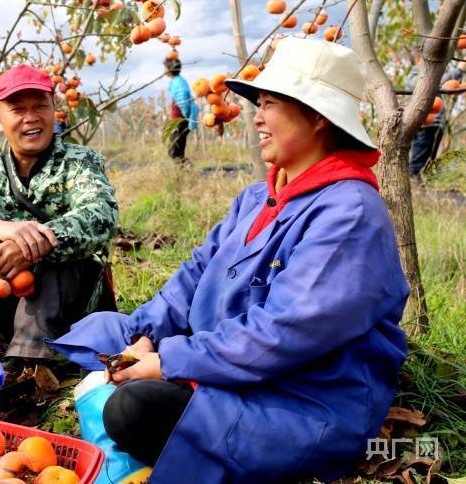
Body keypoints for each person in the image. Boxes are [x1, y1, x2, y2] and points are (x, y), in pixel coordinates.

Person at [49, 37, 409, 483]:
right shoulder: (258, 198)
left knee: (133, 409)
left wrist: (171, 360)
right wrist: (146, 338)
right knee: (101, 337)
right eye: (259, 103)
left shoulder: (350, 212)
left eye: (271, 103)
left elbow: (283, 334)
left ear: (317, 117)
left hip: (298, 397)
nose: (256, 116)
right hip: (226, 361)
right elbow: (193, 277)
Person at [0, 65, 118, 366]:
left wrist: (34, 245)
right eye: (18, 109)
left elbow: (101, 214)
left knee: (60, 255)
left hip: (70, 308)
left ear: (54, 110)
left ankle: (30, 369)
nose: (31, 118)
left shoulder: (80, 162)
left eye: (40, 106)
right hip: (4, 300)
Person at [407, 50, 464, 176]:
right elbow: (435, 83)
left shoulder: (428, 76)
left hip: (435, 124)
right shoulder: (414, 77)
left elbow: (446, 86)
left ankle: (421, 186)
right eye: (426, 58)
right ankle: (415, 185)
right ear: (418, 59)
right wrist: (458, 71)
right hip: (425, 126)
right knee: (419, 159)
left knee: (429, 159)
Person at [164, 57, 198, 164]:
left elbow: (183, 98)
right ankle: (183, 173)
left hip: (179, 121)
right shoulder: (179, 81)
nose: (164, 71)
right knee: (178, 150)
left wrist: (184, 116)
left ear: (169, 69)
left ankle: (186, 169)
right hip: (180, 120)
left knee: (174, 151)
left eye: (165, 68)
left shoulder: (177, 82)